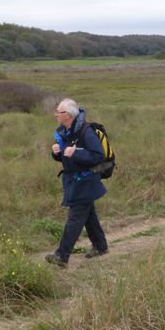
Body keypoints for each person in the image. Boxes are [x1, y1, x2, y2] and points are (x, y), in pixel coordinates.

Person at [46, 99, 109, 267]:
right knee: (89, 216)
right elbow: (66, 156)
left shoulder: (86, 132)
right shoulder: (66, 131)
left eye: (58, 112)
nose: (55, 115)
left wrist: (75, 154)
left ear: (67, 115)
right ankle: (100, 246)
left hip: (85, 181)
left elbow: (98, 156)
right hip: (75, 181)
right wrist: (57, 153)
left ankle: (61, 256)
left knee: (74, 219)